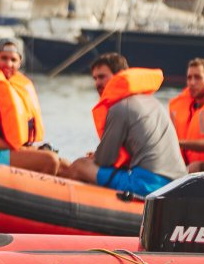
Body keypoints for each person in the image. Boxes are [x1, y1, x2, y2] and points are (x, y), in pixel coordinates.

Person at [64, 52, 186, 196]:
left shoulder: (120, 108)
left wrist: (94, 158)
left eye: (102, 77)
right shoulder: (151, 102)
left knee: (80, 166)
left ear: (120, 75)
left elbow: (105, 160)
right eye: (95, 78)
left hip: (148, 184)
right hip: (177, 183)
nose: (97, 83)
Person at [0, 38, 62, 174]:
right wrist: (19, 150)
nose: (8, 64)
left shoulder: (16, 89)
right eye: (4, 58)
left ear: (20, 63)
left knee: (66, 167)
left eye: (13, 60)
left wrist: (28, 149)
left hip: (8, 150)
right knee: (50, 161)